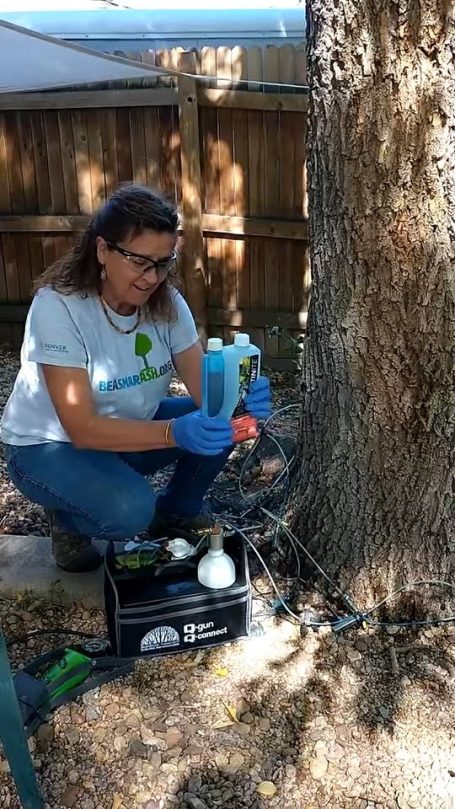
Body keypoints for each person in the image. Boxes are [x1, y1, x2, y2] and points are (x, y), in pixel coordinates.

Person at [0, 184, 271, 573]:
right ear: (102, 251)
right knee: (131, 513)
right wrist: (173, 432)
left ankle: (176, 512)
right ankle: (66, 520)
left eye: (163, 263)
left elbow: (205, 394)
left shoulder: (168, 304)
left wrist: (240, 398)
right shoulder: (58, 308)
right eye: (140, 262)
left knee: (221, 420)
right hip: (47, 446)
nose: (152, 277)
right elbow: (81, 428)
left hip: (124, 428)